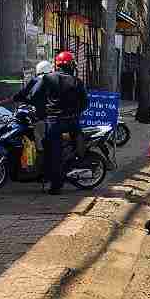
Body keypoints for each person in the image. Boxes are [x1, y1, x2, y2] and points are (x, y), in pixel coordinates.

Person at [40, 50, 89, 195]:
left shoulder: (47, 78)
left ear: (57, 65)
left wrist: (43, 111)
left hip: (53, 122)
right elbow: (85, 103)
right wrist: (75, 112)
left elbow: (37, 96)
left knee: (53, 152)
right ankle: (77, 163)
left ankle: (55, 185)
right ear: (71, 65)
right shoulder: (77, 82)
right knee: (78, 145)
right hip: (72, 121)